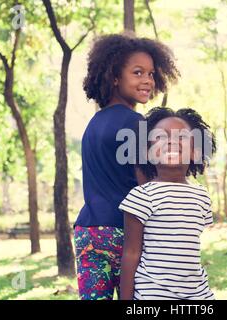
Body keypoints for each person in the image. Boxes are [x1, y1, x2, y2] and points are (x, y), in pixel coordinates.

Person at [74, 34, 179, 300]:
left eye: (152, 74)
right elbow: (147, 186)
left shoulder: (93, 124)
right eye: (138, 72)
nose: (147, 80)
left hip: (89, 232)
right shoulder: (137, 123)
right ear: (114, 77)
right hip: (125, 232)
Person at [119, 107, 217, 300]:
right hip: (153, 295)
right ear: (148, 153)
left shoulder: (202, 196)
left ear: (195, 152)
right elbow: (131, 254)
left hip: (198, 295)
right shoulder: (141, 196)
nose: (171, 141)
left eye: (182, 137)